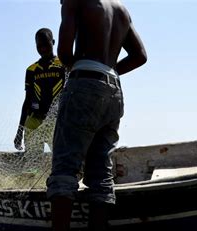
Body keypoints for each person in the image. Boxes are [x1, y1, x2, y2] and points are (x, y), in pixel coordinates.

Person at [46, 0, 147, 230]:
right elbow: (140, 56)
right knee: (101, 174)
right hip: (114, 91)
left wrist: (85, 74)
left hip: (84, 85)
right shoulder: (121, 9)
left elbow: (63, 53)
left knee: (64, 169)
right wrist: (106, 73)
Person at [14, 28, 66, 155]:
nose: (42, 48)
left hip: (56, 121)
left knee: (60, 157)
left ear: (53, 42)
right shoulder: (31, 70)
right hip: (34, 122)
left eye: (46, 44)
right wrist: (20, 131)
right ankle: (32, 174)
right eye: (39, 45)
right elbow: (27, 100)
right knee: (32, 163)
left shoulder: (63, 65)